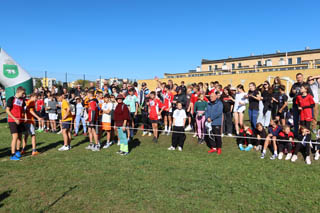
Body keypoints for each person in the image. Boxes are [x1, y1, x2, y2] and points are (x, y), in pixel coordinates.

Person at [6, 86, 26, 160]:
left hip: (20, 120)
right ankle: (12, 154)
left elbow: (23, 110)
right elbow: (7, 110)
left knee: (20, 136)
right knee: (15, 136)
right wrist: (14, 119)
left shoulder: (22, 100)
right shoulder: (11, 99)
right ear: (18, 92)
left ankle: (17, 150)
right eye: (22, 93)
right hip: (12, 120)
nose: (24, 95)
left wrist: (24, 117)